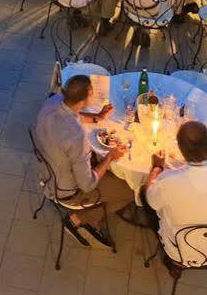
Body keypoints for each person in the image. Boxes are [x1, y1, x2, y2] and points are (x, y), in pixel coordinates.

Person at [32, 73, 133, 248]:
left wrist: (98, 117)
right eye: (92, 93)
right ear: (83, 100)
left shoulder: (54, 100)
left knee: (98, 162)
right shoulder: (76, 136)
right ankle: (79, 220)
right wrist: (110, 157)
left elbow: (71, 114)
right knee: (130, 189)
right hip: (66, 190)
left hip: (47, 171)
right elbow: (87, 184)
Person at [142, 120, 207, 254]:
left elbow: (152, 201)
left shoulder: (169, 181)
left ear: (181, 149)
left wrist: (156, 168)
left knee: (145, 194)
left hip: (180, 252)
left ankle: (174, 264)